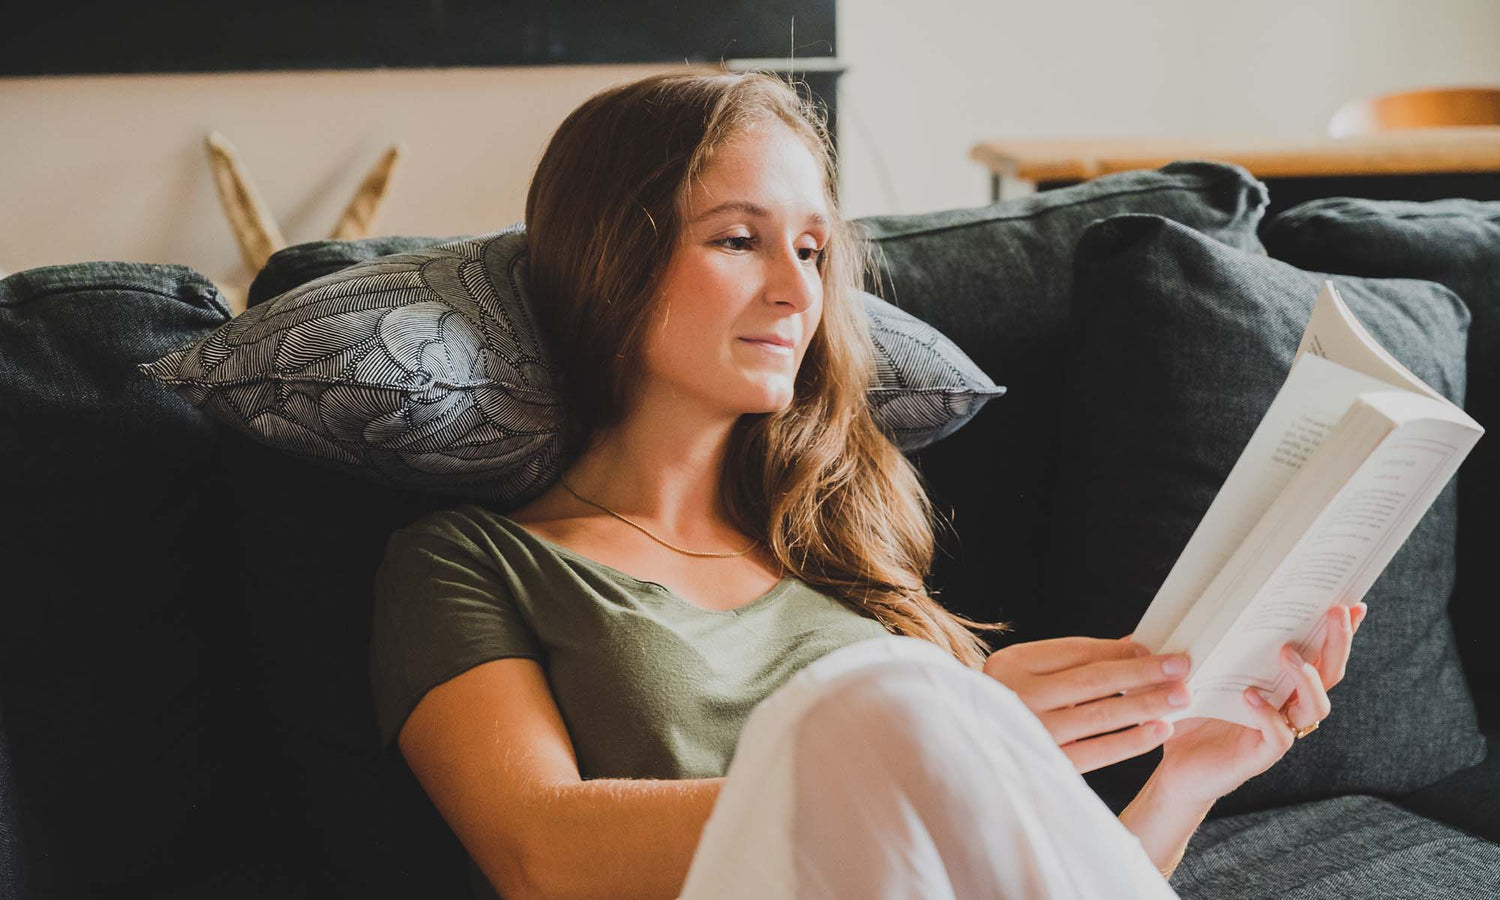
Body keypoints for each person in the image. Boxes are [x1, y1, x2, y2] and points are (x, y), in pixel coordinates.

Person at [369, 69, 1365, 900]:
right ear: (611, 258)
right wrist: (954, 748)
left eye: (812, 249)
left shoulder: (835, 539)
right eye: (737, 239)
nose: (799, 291)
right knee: (879, 706)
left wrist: (1185, 784)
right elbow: (541, 851)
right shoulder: (466, 562)